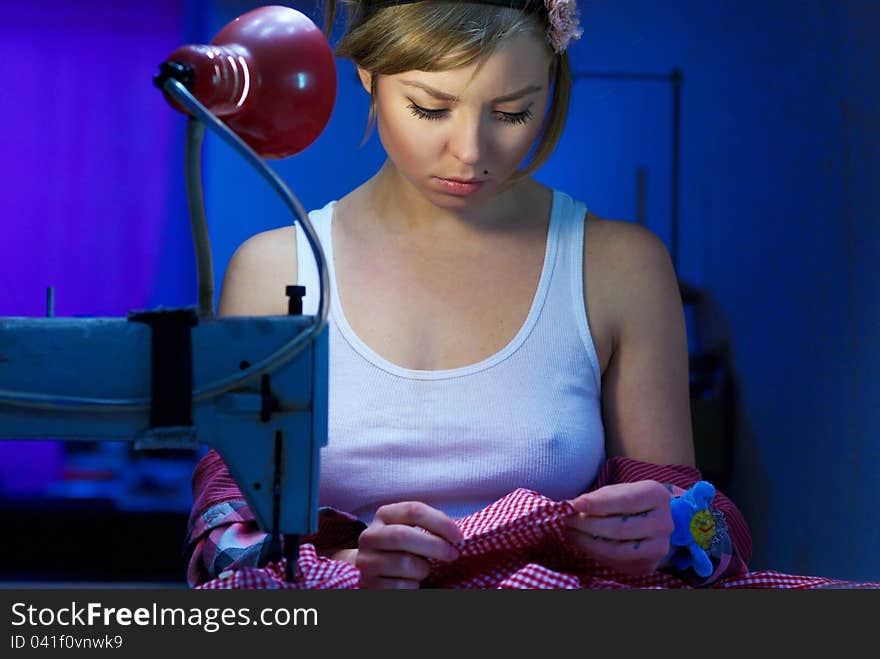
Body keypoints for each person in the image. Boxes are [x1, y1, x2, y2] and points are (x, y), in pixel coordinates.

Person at [187, 0, 747, 589]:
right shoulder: (276, 271)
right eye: (430, 108)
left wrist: (667, 532)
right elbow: (222, 540)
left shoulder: (619, 266)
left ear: (550, 87)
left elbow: (706, 524)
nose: (472, 153)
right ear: (368, 74)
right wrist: (346, 571)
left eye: (511, 112)